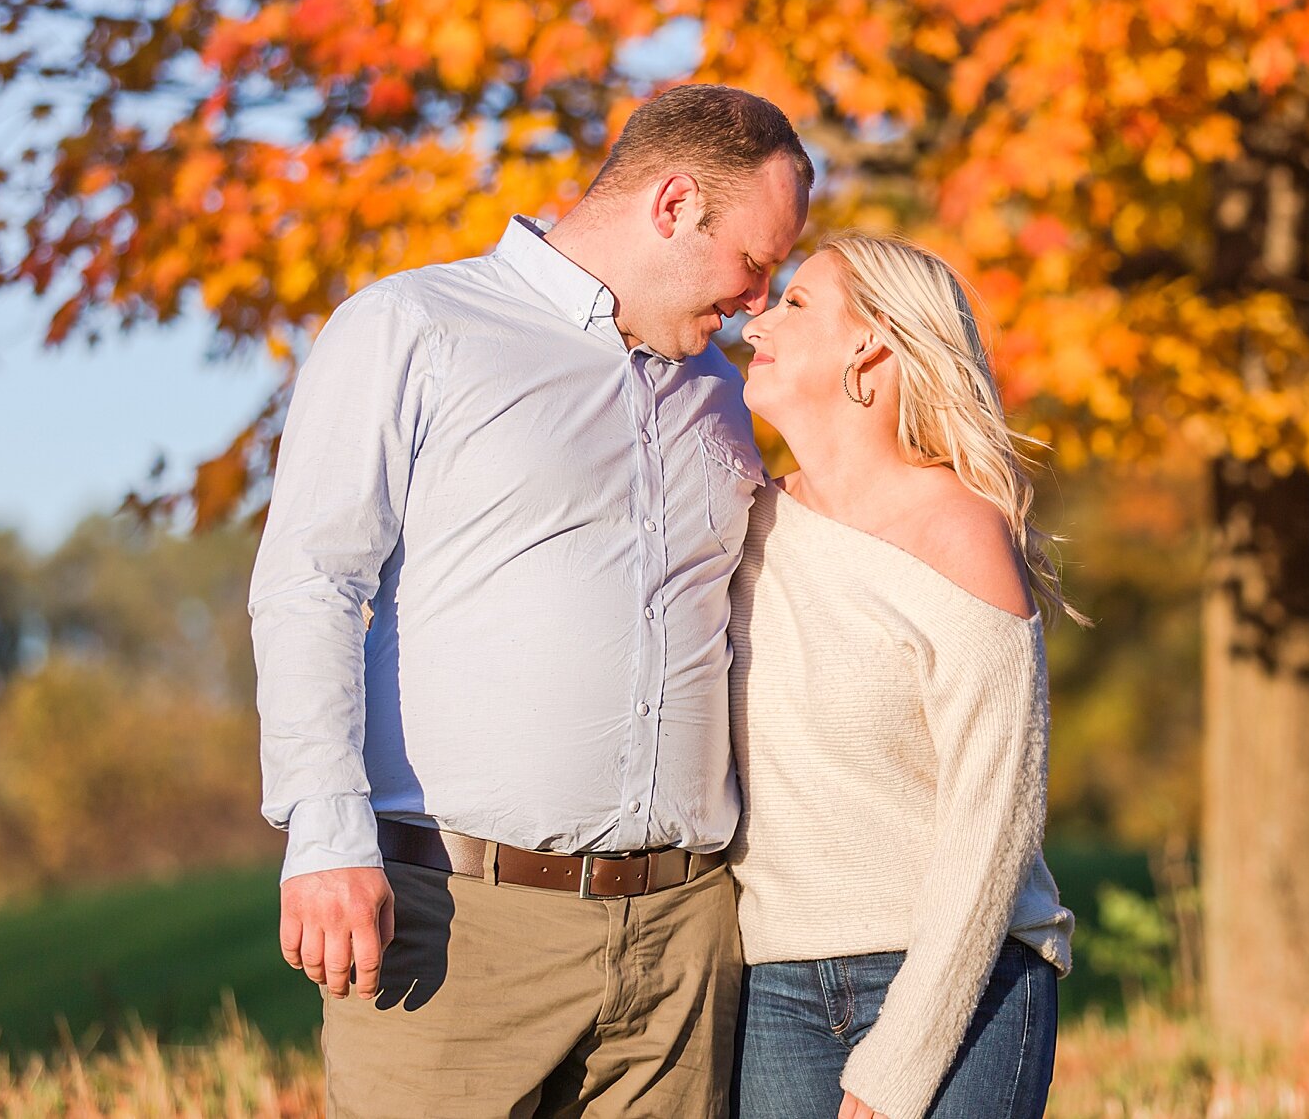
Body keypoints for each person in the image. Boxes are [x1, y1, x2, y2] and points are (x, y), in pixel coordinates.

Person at [249, 83, 810, 1118]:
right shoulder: (412, 326)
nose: (757, 300)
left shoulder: (721, 389)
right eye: (755, 263)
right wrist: (323, 834)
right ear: (674, 203)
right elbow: (310, 586)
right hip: (460, 926)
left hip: (687, 939)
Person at [727, 232, 1079, 1119]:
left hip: (961, 978)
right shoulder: (743, 523)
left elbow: (995, 820)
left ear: (872, 345)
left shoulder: (960, 531)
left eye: (796, 303)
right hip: (773, 990)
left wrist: (905, 1055)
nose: (756, 318)